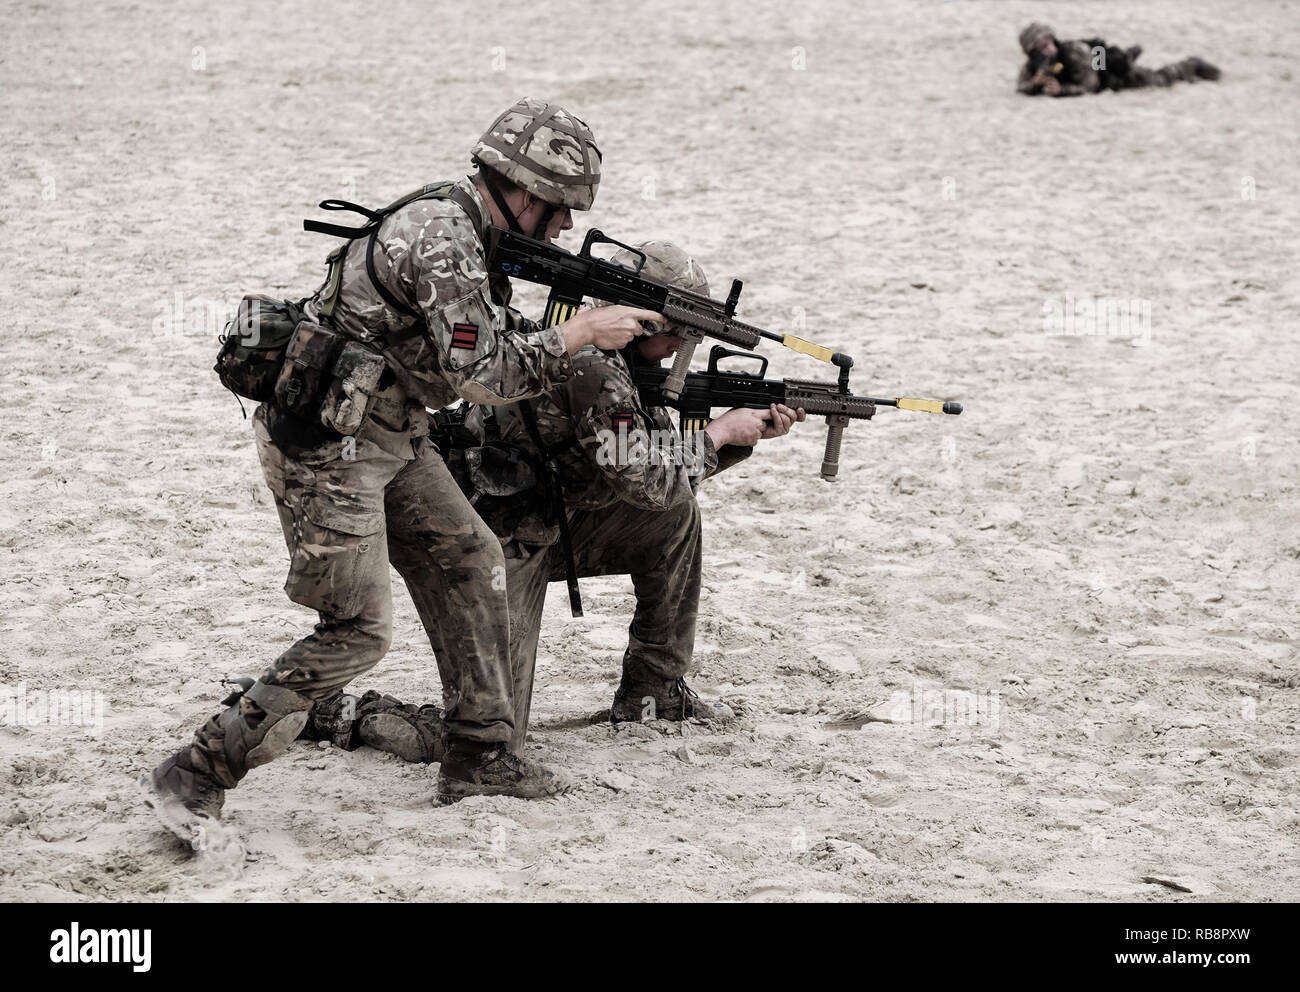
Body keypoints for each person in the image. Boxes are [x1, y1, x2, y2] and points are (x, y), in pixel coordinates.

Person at [141, 98, 666, 842]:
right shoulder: (445, 236)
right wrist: (579, 335)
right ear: (519, 189)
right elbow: (484, 373)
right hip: (329, 444)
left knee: (470, 555)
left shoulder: (467, 228)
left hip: (390, 429)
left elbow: (477, 334)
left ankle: (481, 754)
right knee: (358, 629)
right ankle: (194, 773)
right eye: (556, 207)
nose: (564, 225)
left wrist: (565, 331)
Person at [312, 242, 810, 763]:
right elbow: (647, 479)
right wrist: (718, 435)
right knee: (491, 737)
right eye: (678, 334)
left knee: (674, 519)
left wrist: (735, 439)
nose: (677, 348)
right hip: (499, 540)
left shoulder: (610, 356)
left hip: (556, 521)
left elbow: (654, 470)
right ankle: (340, 713)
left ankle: (655, 691)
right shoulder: (595, 367)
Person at [1017, 22, 1220, 97]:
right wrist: (1034, 84)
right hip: (1098, 62)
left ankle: (1192, 65)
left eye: (1049, 43)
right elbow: (1021, 85)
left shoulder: (1072, 54)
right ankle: (1128, 55)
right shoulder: (1037, 65)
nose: (1048, 50)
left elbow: (1091, 85)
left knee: (1159, 79)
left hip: (1108, 73)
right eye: (1041, 48)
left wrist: (1063, 91)